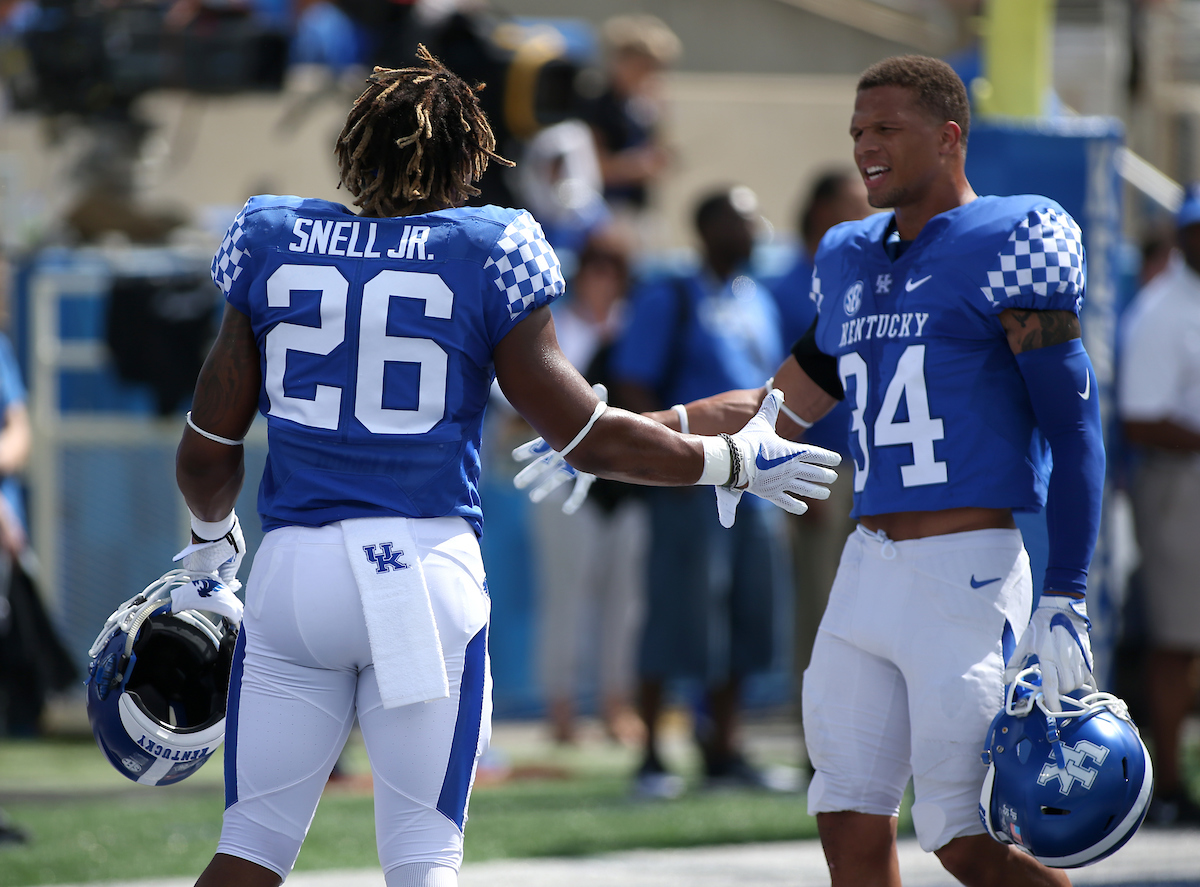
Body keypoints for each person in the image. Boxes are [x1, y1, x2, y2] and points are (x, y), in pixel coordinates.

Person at [175, 46, 839, 887]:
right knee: (422, 857)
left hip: (294, 574)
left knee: (252, 846)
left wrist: (206, 551)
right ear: (465, 158)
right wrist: (726, 462)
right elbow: (584, 433)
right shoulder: (489, 245)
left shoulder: (271, 235)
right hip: (419, 573)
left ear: (356, 148)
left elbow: (207, 449)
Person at [605, 55, 1101, 885]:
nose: (866, 147)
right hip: (866, 567)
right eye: (858, 132)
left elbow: (1074, 426)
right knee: (846, 816)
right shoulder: (850, 257)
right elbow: (774, 409)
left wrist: (1069, 589)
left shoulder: (1012, 239)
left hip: (964, 571)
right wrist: (610, 431)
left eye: (886, 130)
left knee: (963, 836)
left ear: (949, 138)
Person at [609, 186, 794, 798]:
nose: (754, 231)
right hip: (693, 480)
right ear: (710, 226)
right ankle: (653, 755)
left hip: (755, 482)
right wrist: (669, 463)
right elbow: (633, 384)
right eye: (741, 221)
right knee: (677, 614)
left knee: (746, 612)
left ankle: (724, 749)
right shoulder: (672, 292)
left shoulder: (758, 298)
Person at [529, 228, 646, 746]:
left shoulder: (637, 328)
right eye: (596, 266)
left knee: (625, 602)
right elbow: (517, 411)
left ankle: (616, 703)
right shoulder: (554, 328)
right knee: (567, 598)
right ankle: (562, 707)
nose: (604, 278)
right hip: (566, 481)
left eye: (614, 268)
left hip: (629, 483)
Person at [766, 170, 872, 744]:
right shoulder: (786, 287)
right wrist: (792, 475)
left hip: (876, 469)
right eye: (852, 209)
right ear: (819, 217)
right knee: (821, 608)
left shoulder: (873, 280)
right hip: (818, 467)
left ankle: (863, 735)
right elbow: (778, 392)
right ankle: (820, 739)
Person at [1117, 185, 1200, 827]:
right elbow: (1141, 421)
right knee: (1177, 640)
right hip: (1178, 483)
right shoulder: (1162, 308)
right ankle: (1167, 785)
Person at [578, 15, 680, 217]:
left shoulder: (640, 106)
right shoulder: (596, 103)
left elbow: (657, 151)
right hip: (603, 211)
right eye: (645, 66)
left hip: (637, 208)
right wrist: (637, 167)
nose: (651, 75)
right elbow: (591, 165)